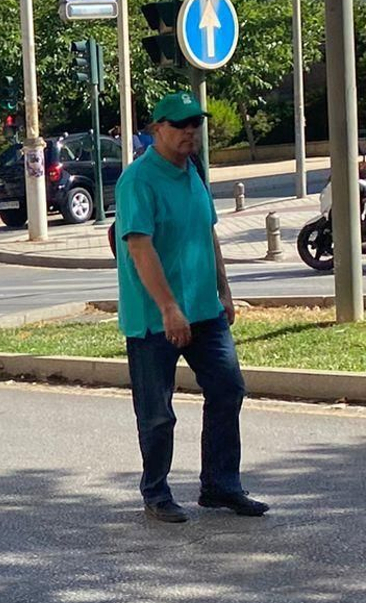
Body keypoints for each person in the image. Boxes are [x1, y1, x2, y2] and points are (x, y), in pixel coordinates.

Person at [114, 92, 266, 523]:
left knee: (228, 388)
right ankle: (156, 492)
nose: (189, 132)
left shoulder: (195, 170)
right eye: (179, 125)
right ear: (155, 129)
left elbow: (208, 233)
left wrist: (225, 289)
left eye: (194, 124)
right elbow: (140, 248)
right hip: (154, 318)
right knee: (158, 412)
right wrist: (168, 308)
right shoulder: (138, 181)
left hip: (205, 310)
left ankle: (220, 485)